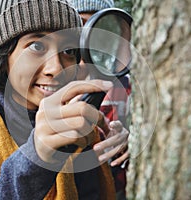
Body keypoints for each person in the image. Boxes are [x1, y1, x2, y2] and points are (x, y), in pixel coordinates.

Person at [0, 0, 129, 199]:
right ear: (4, 55)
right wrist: (36, 158)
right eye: (37, 46)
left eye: (69, 51)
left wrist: (121, 158)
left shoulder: (81, 120)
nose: (57, 68)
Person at [72, 0, 131, 199]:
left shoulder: (130, 88)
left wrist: (135, 143)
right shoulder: (47, 84)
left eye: (97, 29)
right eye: (78, 26)